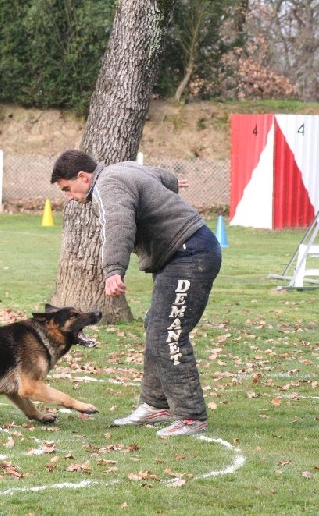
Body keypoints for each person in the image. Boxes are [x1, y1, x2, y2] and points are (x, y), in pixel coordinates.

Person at [50, 149, 222, 436]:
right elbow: (165, 177)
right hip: (180, 253)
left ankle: (192, 417)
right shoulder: (123, 169)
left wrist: (114, 270)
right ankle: (156, 405)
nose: (69, 196)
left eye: (68, 189)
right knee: (156, 326)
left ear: (83, 176)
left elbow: (118, 225)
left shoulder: (107, 185)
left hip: (189, 254)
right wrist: (166, 194)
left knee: (168, 332)